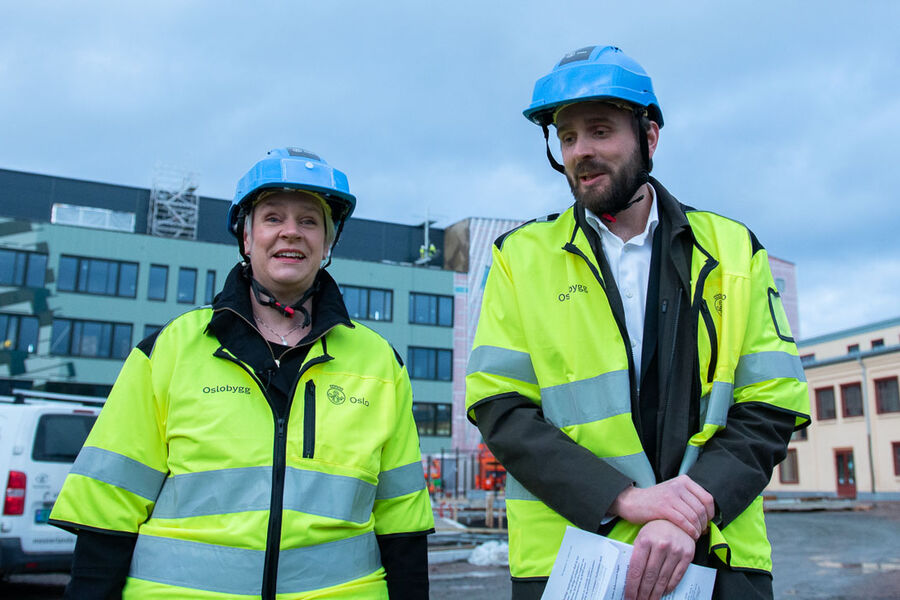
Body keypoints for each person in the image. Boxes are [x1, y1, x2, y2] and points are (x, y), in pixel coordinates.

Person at [465, 46, 810, 600]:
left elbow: (771, 404)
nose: (580, 152)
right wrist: (625, 498)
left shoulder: (733, 250)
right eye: (567, 136)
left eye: (599, 131)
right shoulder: (517, 258)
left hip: (715, 556)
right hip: (575, 563)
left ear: (649, 137)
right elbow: (499, 409)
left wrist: (689, 511)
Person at [50, 147, 434, 599]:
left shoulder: (379, 363)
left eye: (310, 221)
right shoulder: (170, 351)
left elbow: (402, 522)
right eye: (273, 217)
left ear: (329, 242)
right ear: (246, 238)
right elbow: (107, 507)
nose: (291, 231)